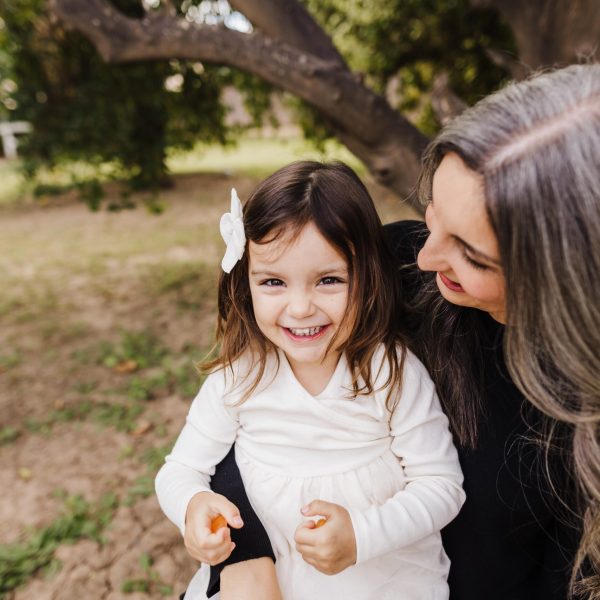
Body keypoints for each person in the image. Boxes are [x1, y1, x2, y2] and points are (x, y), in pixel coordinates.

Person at [205, 63, 600, 599]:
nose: (427, 254)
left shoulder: (579, 426)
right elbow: (256, 399)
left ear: (569, 276)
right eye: (433, 215)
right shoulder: (396, 269)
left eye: (472, 255)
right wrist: (245, 560)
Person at [155, 162, 466, 599]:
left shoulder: (389, 371)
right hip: (275, 576)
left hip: (377, 576)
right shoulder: (240, 376)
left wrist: (362, 534)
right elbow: (181, 470)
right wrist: (192, 506)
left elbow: (441, 486)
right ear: (246, 282)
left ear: (368, 280)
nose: (300, 308)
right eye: (274, 282)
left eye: (329, 280)